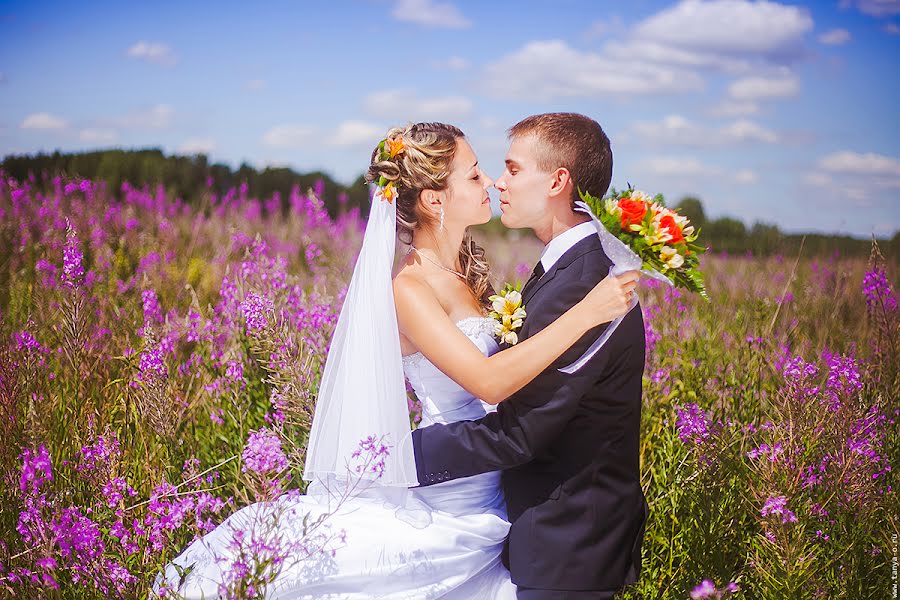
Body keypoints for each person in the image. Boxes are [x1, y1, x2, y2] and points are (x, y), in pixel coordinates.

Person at [154, 121, 638, 599]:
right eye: (475, 175)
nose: (491, 181)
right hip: (450, 491)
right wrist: (586, 314)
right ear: (433, 199)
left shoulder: (468, 272)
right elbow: (490, 383)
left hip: (491, 487)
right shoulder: (409, 289)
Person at [409, 113, 649, 600]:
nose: (499, 182)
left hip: (570, 540)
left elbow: (522, 430)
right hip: (524, 526)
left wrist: (396, 460)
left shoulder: (586, 282)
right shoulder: (563, 271)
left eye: (512, 169)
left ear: (559, 180)